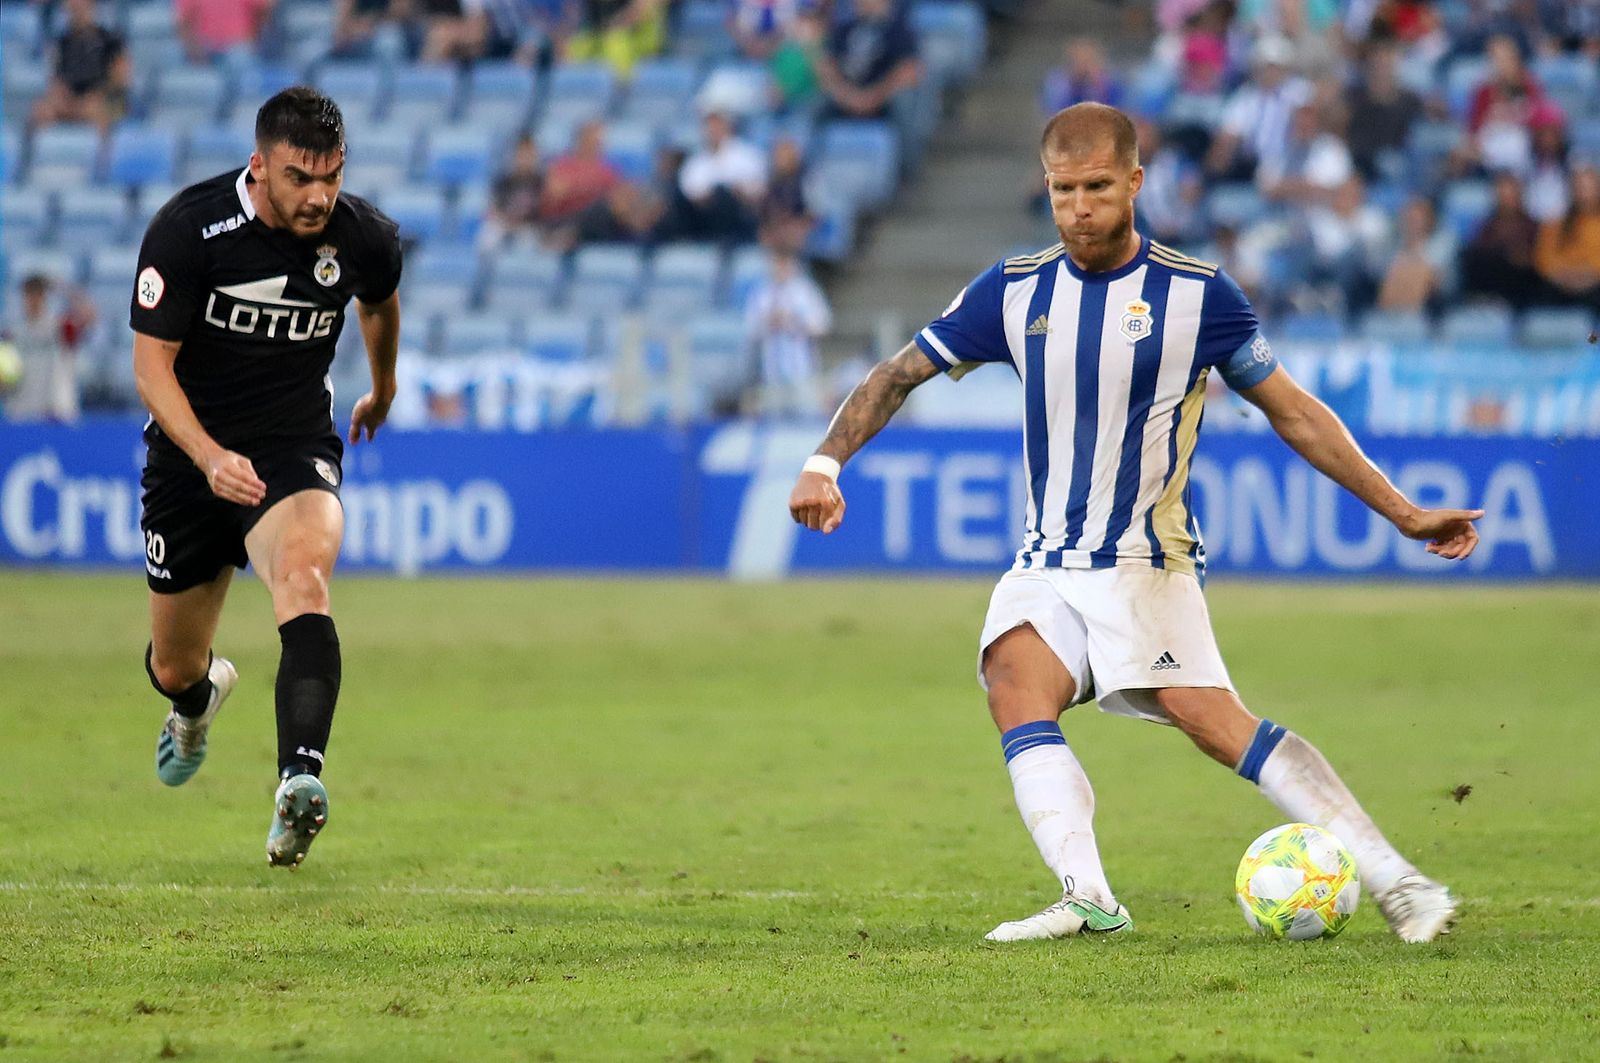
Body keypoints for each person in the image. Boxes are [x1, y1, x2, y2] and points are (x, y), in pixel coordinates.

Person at [788, 103, 1479, 944]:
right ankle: (1089, 898)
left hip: (1144, 560)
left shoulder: (1198, 296)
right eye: (1062, 190)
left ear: (1136, 184)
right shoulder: (1014, 290)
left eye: (1097, 188)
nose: (1079, 207)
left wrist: (1404, 513)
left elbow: (1295, 413)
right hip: (1046, 558)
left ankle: (1398, 880)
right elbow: (898, 373)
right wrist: (825, 462)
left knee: (1213, 722)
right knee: (1014, 681)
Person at [130, 88, 403, 869]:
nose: (319, 195)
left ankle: (299, 783)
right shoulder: (189, 230)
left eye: (331, 176)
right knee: (174, 664)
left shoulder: (364, 237)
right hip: (192, 458)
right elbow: (152, 368)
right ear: (260, 166)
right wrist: (209, 455)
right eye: (298, 178)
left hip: (291, 449)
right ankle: (195, 701)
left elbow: (379, 306)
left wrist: (381, 389)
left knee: (305, 576)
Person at [28, 0, 130, 134]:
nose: (76, 9)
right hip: (71, 101)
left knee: (98, 111)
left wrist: (97, 95)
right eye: (72, 7)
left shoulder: (112, 39)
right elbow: (56, 79)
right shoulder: (62, 42)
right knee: (40, 111)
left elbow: (121, 80)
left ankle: (103, 154)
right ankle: (40, 154)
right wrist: (63, 96)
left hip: (102, 100)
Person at [1, 274, 90, 423]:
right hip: (22, 413)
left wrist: (60, 287)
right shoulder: (12, 333)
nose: (33, 301)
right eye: (29, 295)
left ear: (44, 297)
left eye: (38, 295)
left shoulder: (60, 326)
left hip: (56, 412)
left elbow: (89, 314)